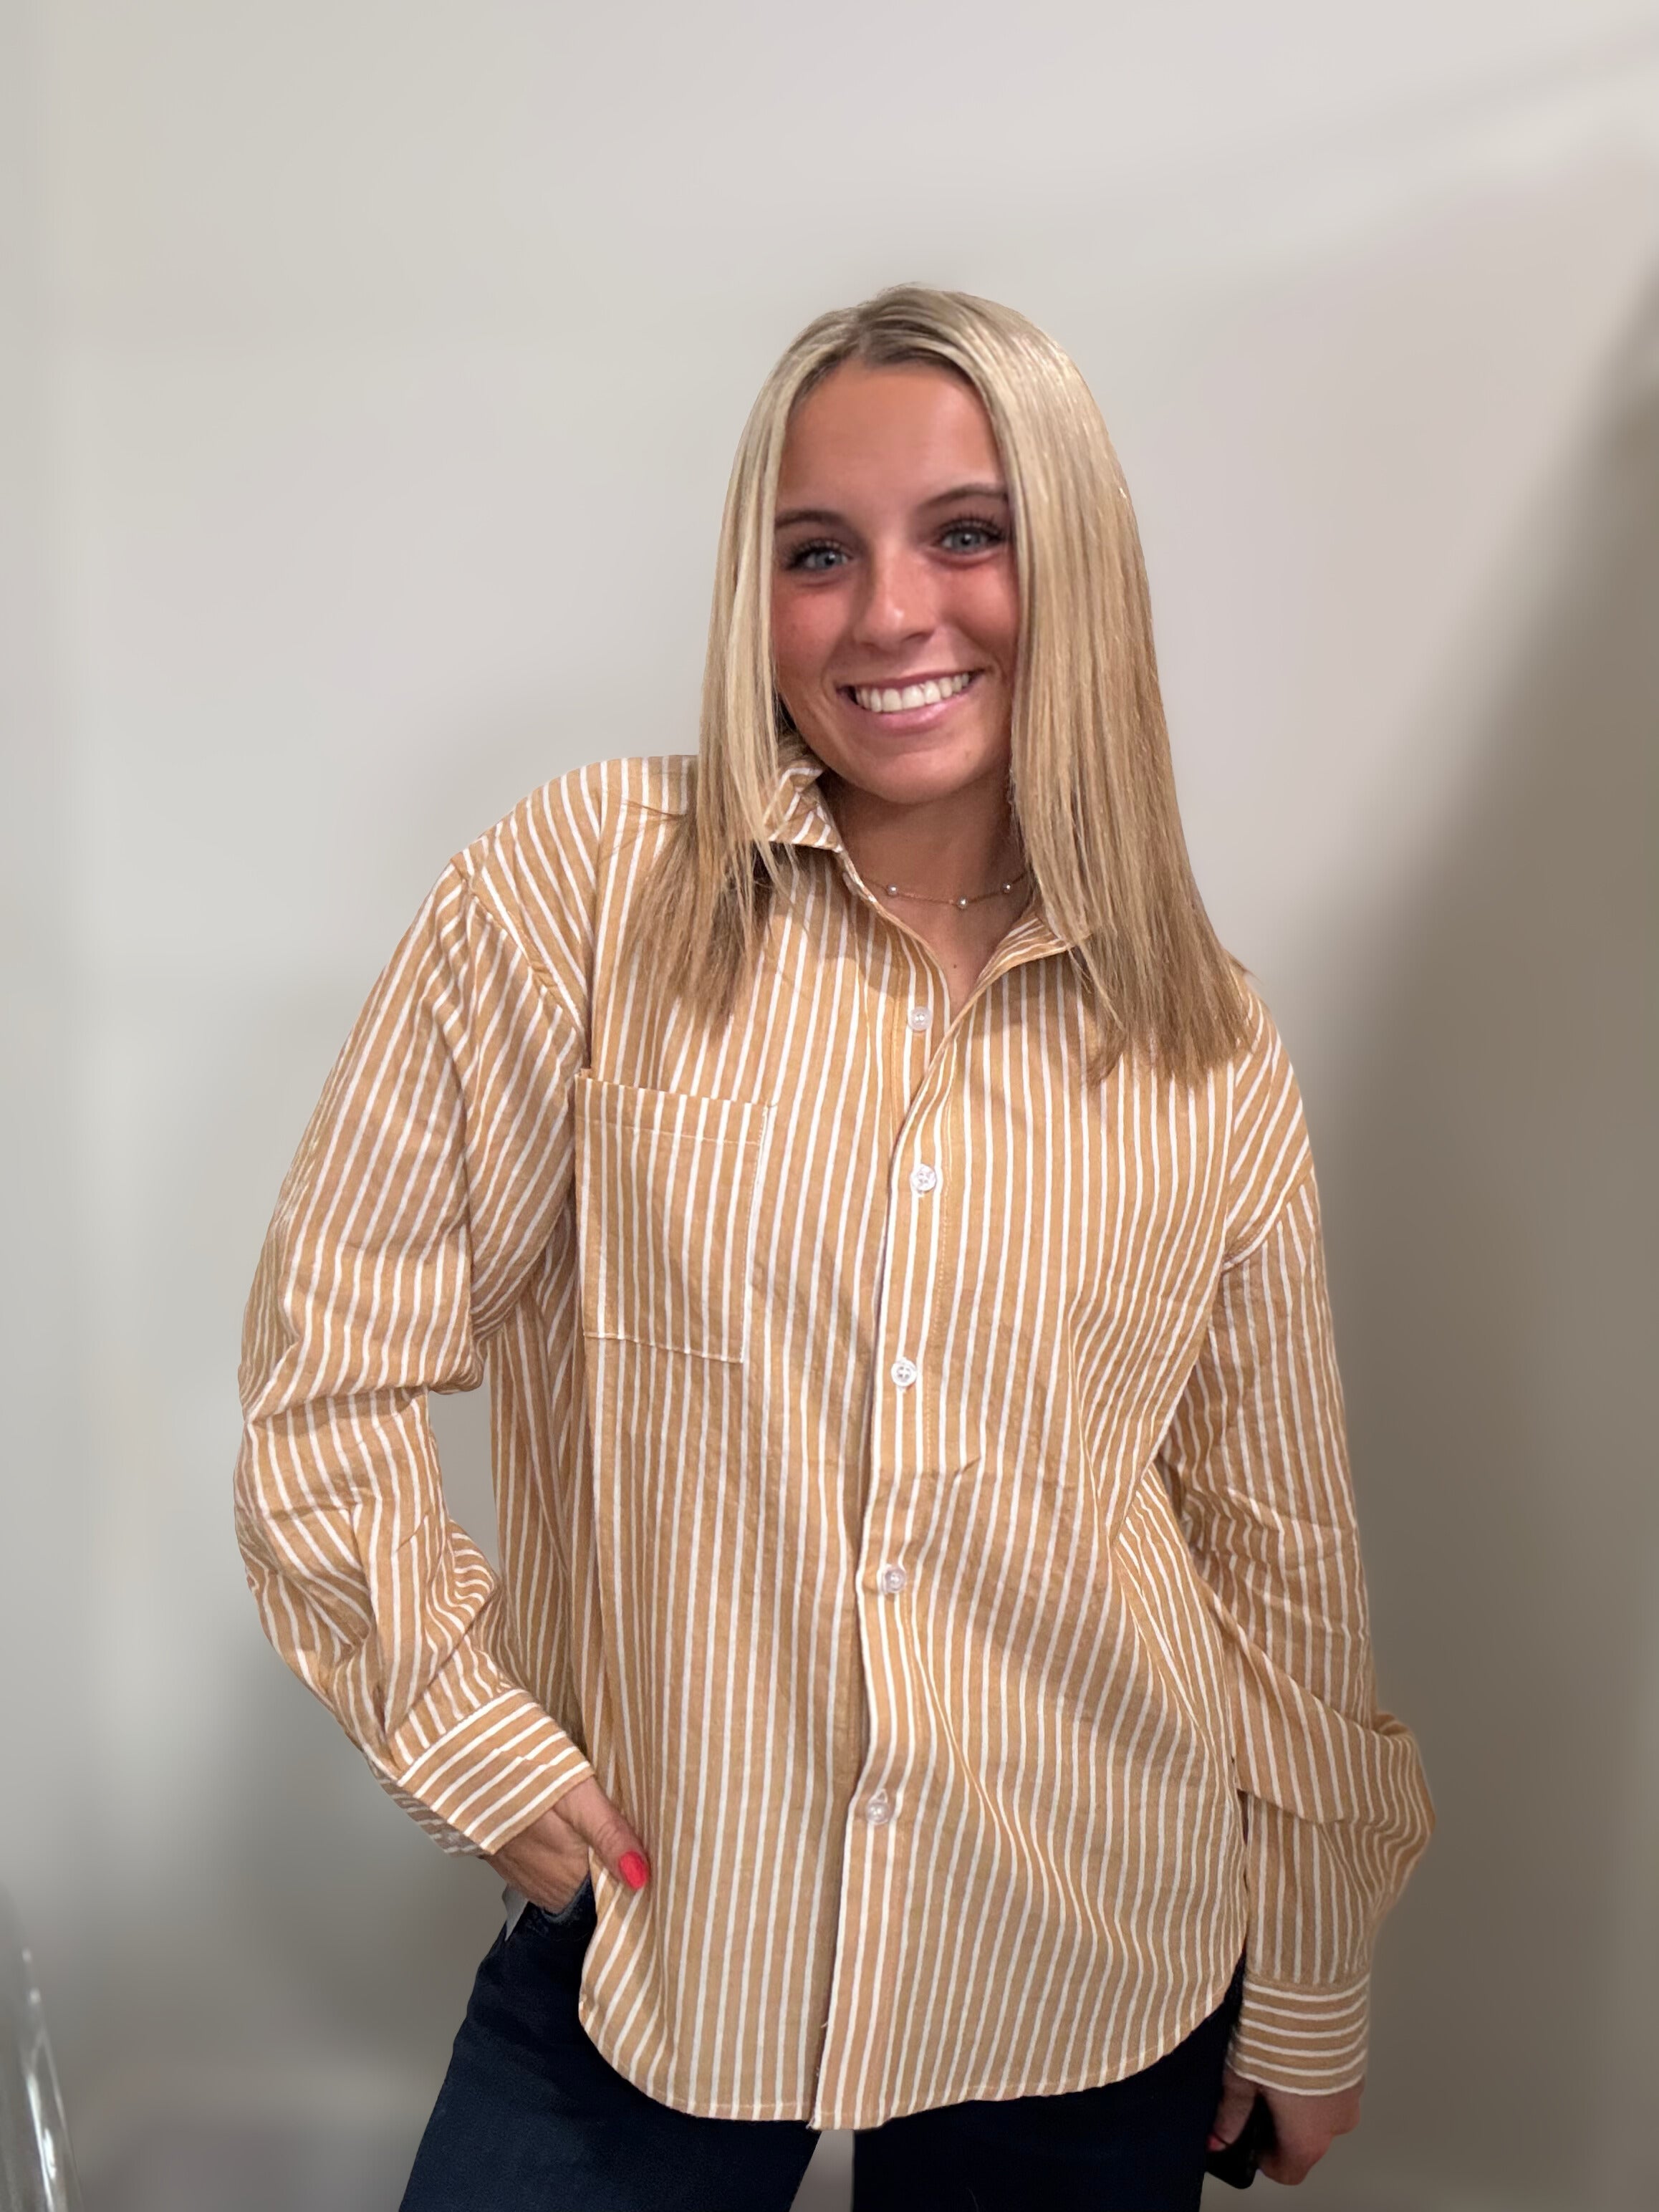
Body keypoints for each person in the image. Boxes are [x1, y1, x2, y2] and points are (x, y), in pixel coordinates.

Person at [235, 285, 1433, 2211]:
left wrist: (1308, 1971)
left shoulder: (1204, 1038)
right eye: (817, 553)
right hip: (661, 1940)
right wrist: (462, 1735)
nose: (889, 613)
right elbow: (330, 1366)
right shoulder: (586, 893)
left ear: (1075, 565)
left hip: (1087, 1954)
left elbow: (1269, 1546)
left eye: (967, 533)